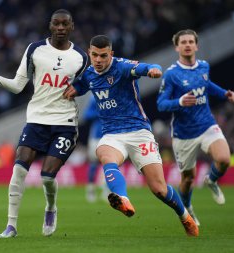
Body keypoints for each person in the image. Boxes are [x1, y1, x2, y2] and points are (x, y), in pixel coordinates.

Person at [63, 35, 199, 236]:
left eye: (103, 55)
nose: (98, 60)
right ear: (89, 54)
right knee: (104, 153)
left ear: (111, 54)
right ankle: (122, 199)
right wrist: (69, 91)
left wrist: (153, 70)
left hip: (139, 132)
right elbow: (80, 86)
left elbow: (144, 67)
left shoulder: (123, 67)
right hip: (112, 135)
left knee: (159, 189)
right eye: (94, 55)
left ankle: (184, 216)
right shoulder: (90, 73)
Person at [0, 9, 88, 238]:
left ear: (71, 26)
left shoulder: (81, 58)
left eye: (64, 24)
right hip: (36, 120)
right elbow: (18, 85)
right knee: (19, 168)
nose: (60, 28)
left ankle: (50, 208)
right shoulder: (35, 49)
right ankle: (11, 226)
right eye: (56, 23)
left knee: (47, 176)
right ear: (50, 25)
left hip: (65, 123)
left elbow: (87, 84)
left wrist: (81, 88)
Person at [157, 29, 234, 226]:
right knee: (188, 179)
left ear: (196, 45)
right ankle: (187, 209)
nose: (187, 45)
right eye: (183, 42)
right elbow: (161, 104)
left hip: (207, 124)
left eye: (191, 41)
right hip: (184, 135)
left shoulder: (204, 66)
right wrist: (180, 102)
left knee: (224, 159)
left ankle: (211, 180)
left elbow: (207, 85)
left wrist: (224, 93)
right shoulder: (172, 74)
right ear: (177, 47)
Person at [83, 95, 109, 202]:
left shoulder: (113, 94)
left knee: (109, 164)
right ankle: (90, 189)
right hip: (96, 136)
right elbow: (86, 115)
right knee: (94, 163)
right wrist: (100, 112)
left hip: (110, 136)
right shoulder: (94, 97)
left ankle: (107, 191)